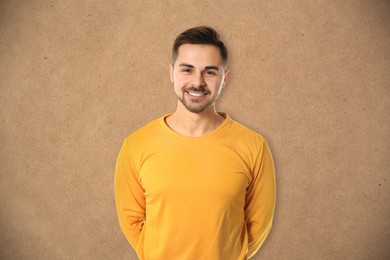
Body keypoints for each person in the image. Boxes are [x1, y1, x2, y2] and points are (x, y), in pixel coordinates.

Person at [114, 26, 276, 260]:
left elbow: (259, 223)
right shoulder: (136, 145)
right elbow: (130, 219)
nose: (197, 82)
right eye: (187, 70)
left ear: (224, 78)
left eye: (210, 72)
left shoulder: (254, 146)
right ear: (171, 73)